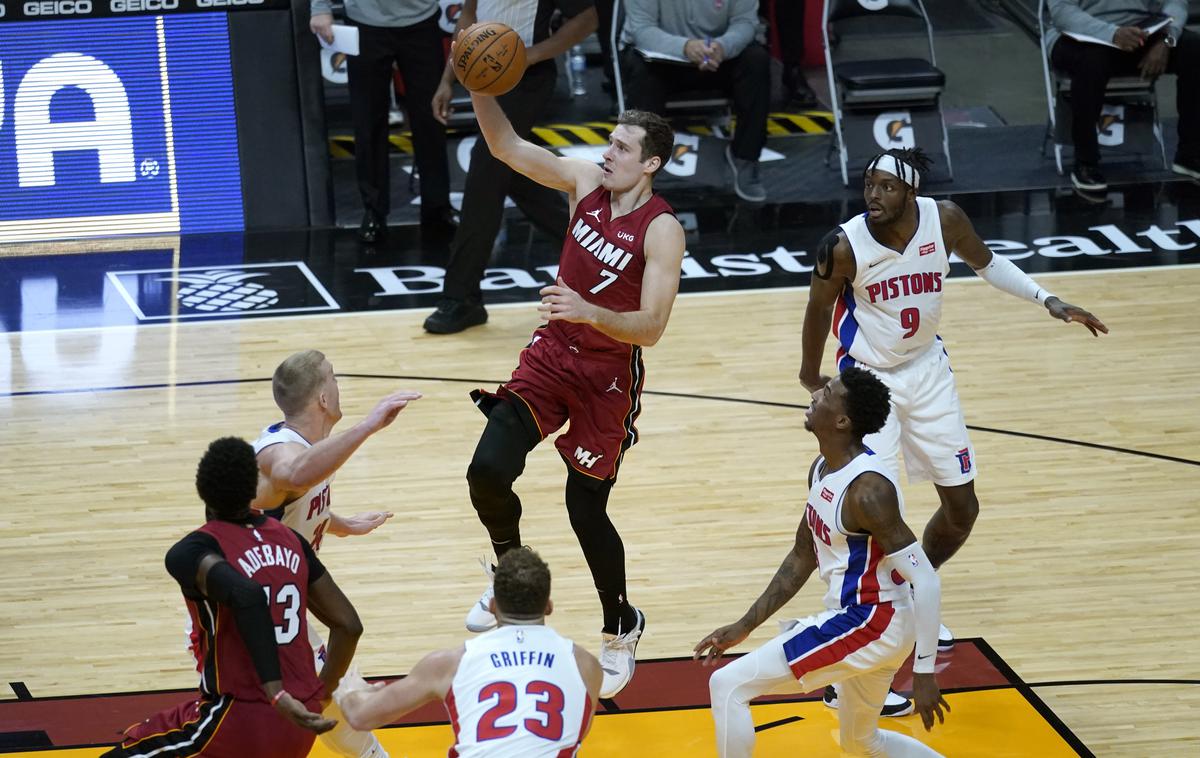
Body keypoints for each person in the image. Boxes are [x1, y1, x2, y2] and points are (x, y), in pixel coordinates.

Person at [798, 147, 1107, 712]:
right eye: (869, 185)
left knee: (962, 510)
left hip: (928, 371)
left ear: (911, 192)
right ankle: (848, 673)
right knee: (871, 520)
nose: (873, 195)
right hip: (867, 380)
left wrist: (1049, 300)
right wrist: (807, 371)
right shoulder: (843, 244)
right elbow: (818, 309)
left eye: (886, 187)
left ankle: (912, 598)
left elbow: (988, 265)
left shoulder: (947, 220)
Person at [449, 74, 684, 698]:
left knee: (585, 509)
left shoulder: (662, 229)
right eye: (609, 142)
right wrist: (477, 83)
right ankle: (509, 577)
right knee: (487, 470)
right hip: (553, 357)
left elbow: (653, 329)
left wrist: (589, 311)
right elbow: (504, 146)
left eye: (623, 148)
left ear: (652, 163)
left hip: (608, 377)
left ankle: (620, 625)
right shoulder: (584, 181)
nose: (608, 154)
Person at [694, 368, 949, 758]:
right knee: (860, 742)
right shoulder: (822, 469)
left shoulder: (868, 491)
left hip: (871, 621)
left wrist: (925, 672)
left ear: (843, 421)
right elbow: (801, 556)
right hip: (874, 624)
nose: (816, 395)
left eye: (827, 392)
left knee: (727, 685)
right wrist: (744, 626)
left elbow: (926, 580)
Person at [104, 437, 362, 758]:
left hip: (240, 716)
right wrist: (320, 694)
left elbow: (247, 595)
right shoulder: (292, 540)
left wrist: (275, 692)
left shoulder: (193, 551)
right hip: (300, 720)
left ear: (201, 489)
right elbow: (349, 625)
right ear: (254, 487)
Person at [251, 349, 421, 757]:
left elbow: (296, 503)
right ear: (323, 400)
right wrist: (368, 425)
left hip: (284, 597)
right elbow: (293, 475)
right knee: (333, 702)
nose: (337, 384)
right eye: (333, 378)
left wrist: (340, 524)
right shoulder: (279, 451)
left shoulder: (311, 447)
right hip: (256, 607)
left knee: (340, 713)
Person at [423, 0, 599, 334]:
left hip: (527, 79)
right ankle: (600, 250)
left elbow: (589, 18)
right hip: (484, 77)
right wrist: (450, 77)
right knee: (515, 176)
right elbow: (469, 15)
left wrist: (531, 54)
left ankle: (462, 298)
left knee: (485, 178)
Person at [333, 549, 602, 755]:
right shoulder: (587, 666)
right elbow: (572, 733)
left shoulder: (450, 663)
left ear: (492, 606)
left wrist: (351, 692)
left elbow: (360, 716)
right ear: (549, 606)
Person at [310, 0, 457, 243]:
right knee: (368, 121)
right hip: (364, 20)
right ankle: (374, 211)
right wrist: (321, 8)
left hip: (421, 17)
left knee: (431, 117)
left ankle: (438, 208)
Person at [619, 0, 770, 202]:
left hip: (717, 56)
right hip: (661, 57)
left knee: (756, 60)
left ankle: (745, 158)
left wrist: (722, 47)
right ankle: (641, 165)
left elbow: (745, 22)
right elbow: (642, 29)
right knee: (641, 70)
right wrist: (685, 47)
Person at [1043, 0, 1198, 192]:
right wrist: (1112, 34)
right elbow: (1062, 12)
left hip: (1139, 33)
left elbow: (1175, 2)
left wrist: (1166, 39)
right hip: (1079, 34)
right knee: (1092, 61)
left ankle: (1190, 155)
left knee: (1194, 48)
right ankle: (1086, 162)